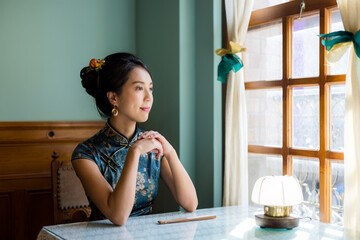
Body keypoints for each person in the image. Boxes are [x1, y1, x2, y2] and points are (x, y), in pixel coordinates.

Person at [72, 53, 198, 226]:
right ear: (113, 98)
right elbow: (118, 216)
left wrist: (171, 153)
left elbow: (190, 204)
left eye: (151, 88)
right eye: (139, 88)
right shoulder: (85, 154)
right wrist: (135, 151)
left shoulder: (153, 145)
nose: (149, 97)